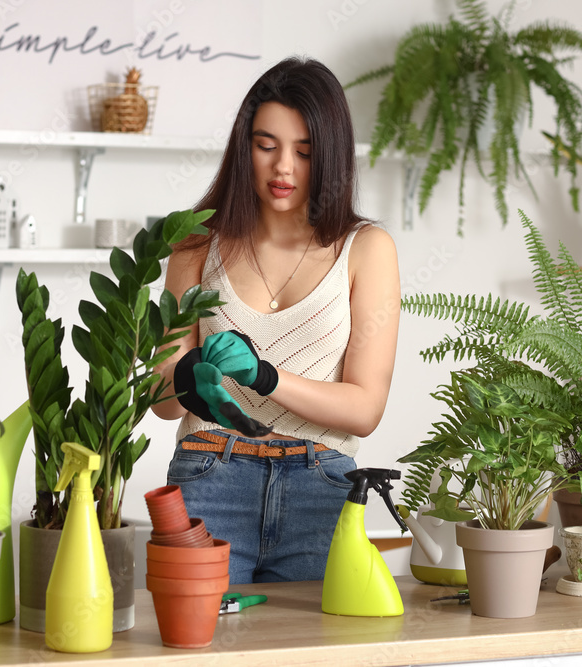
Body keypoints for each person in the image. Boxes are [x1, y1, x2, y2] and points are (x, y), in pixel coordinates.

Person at [151, 56, 400, 584]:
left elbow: (364, 409)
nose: (283, 167)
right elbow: (165, 405)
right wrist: (190, 371)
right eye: (266, 145)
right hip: (209, 475)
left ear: (330, 156)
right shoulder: (195, 245)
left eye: (304, 152)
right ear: (244, 148)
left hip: (322, 485)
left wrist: (265, 377)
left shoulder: (366, 249)